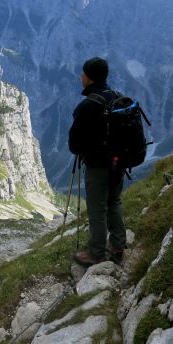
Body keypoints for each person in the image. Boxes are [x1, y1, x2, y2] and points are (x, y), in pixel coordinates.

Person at [69, 57, 126, 266]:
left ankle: (96, 253)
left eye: (83, 73)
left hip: (98, 165)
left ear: (89, 77)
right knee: (114, 201)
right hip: (119, 163)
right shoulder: (117, 97)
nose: (80, 76)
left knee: (97, 208)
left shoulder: (87, 105)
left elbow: (74, 145)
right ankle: (118, 245)